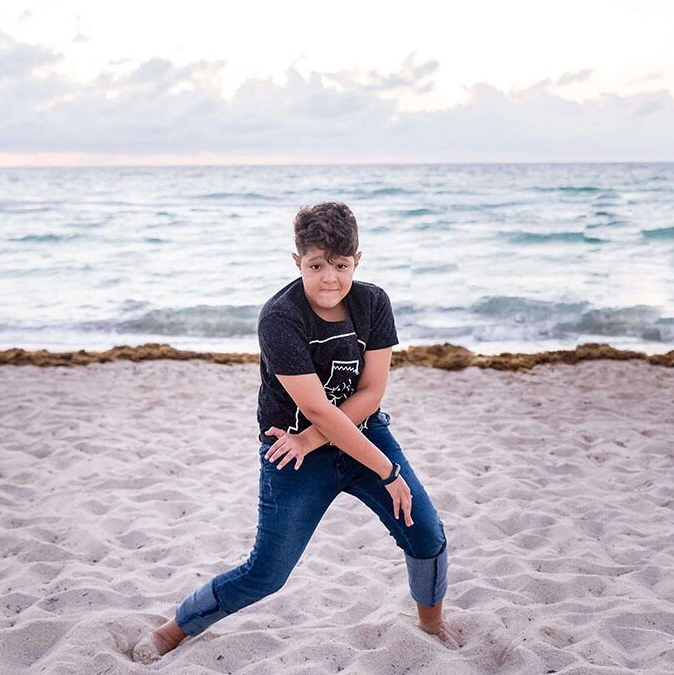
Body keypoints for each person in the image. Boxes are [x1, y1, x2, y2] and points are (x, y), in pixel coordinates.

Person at [135, 202, 460, 662]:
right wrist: (384, 471)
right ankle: (175, 629)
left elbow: (371, 391)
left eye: (341, 266)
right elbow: (316, 409)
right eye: (316, 266)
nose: (330, 278)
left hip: (361, 436)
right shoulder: (280, 318)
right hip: (293, 453)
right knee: (267, 574)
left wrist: (329, 443)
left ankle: (431, 622)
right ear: (297, 262)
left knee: (425, 532)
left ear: (357, 261)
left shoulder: (373, 303)